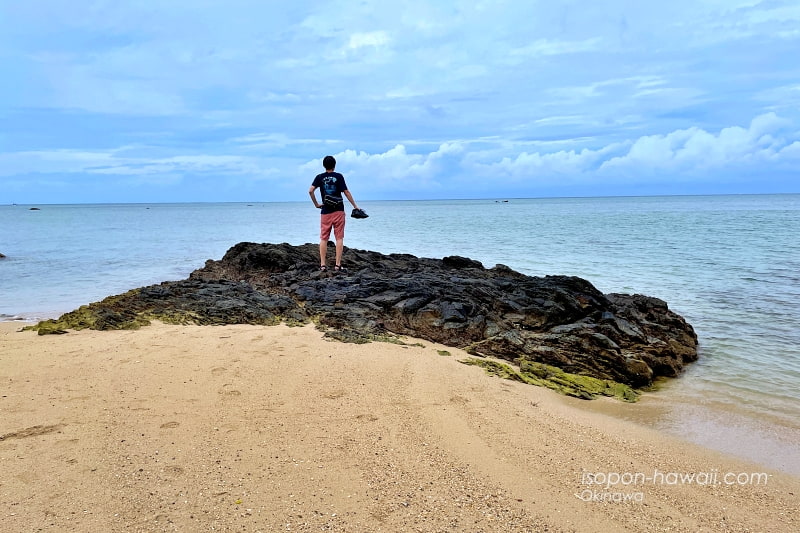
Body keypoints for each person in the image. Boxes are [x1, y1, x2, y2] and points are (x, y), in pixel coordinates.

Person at [308, 155, 361, 272]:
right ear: (334, 165)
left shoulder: (319, 177)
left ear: (324, 165)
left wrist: (316, 204)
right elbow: (346, 192)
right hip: (338, 211)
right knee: (339, 238)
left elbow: (310, 190)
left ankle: (322, 265)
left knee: (323, 238)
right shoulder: (339, 176)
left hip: (325, 211)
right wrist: (355, 206)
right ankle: (337, 265)